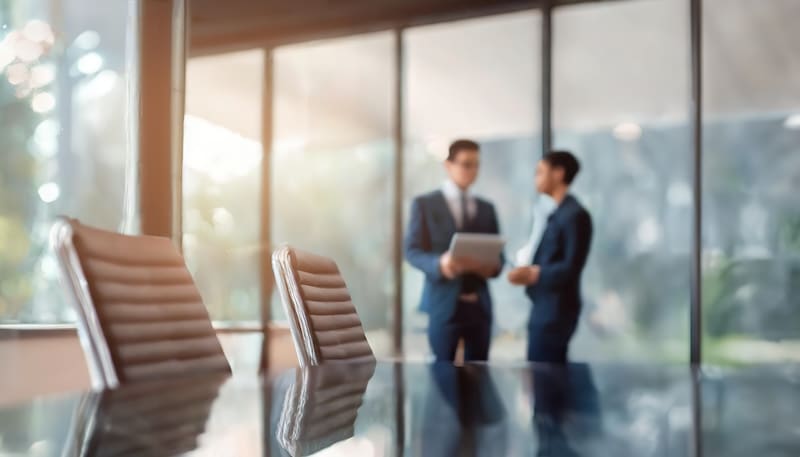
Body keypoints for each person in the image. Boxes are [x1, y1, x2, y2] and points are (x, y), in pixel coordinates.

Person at [404, 139, 503, 362]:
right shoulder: (424, 204)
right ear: (448, 165)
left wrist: (492, 267)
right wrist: (440, 263)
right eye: (466, 164)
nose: (472, 170)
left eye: (476, 164)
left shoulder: (487, 209)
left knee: (479, 378)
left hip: (479, 307)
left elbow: (499, 258)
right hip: (443, 305)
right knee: (442, 377)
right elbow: (412, 251)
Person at [507, 150, 592, 363]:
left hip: (556, 311)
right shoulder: (555, 213)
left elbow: (572, 266)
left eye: (540, 172)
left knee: (546, 377)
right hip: (544, 306)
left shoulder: (575, 215)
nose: (536, 178)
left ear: (558, 173)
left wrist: (535, 274)